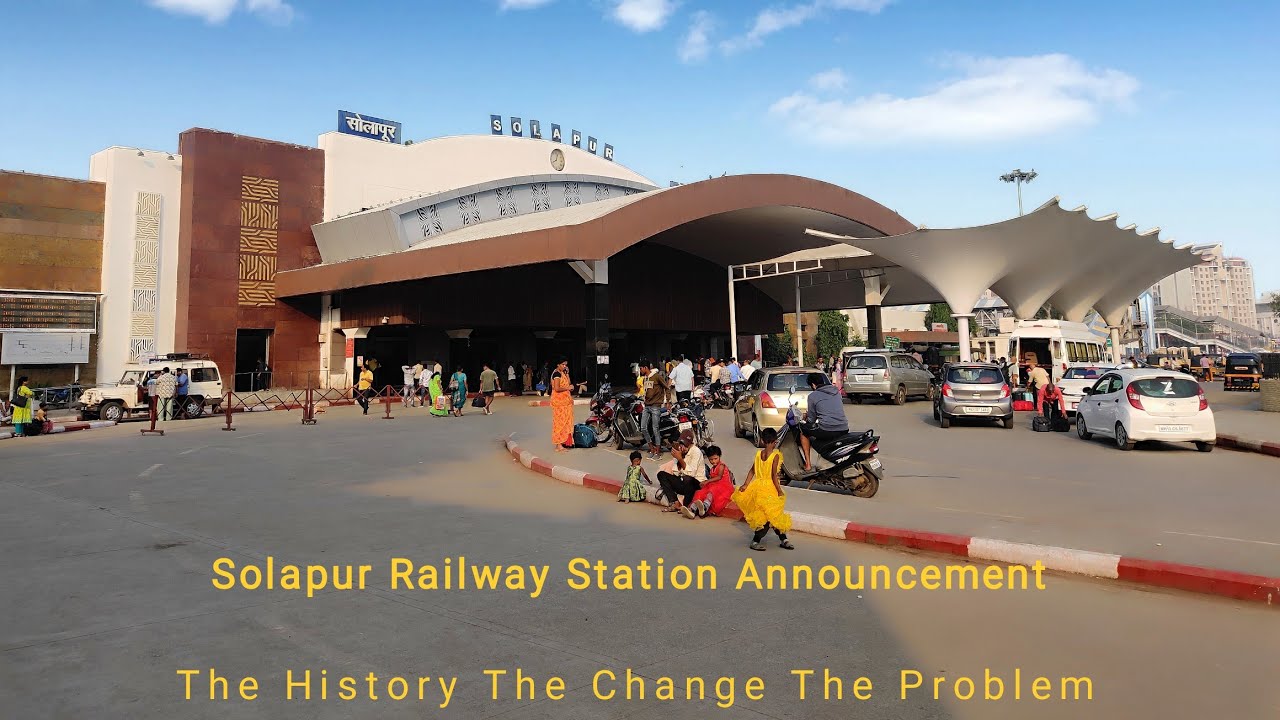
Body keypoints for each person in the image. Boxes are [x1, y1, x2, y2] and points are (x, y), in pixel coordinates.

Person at [733, 427, 794, 551]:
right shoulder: (776, 455)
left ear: (762, 440)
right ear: (775, 441)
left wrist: (745, 485)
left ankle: (784, 539)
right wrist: (779, 490)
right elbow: (773, 475)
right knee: (770, 517)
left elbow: (752, 471)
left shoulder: (758, 454)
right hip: (770, 488)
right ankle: (755, 541)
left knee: (773, 515)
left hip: (758, 487)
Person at [799, 372, 849, 472]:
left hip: (827, 429)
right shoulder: (836, 392)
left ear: (813, 385)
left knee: (803, 431)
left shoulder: (813, 396)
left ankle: (808, 465)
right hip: (844, 428)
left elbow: (811, 420)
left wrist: (805, 417)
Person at [656, 430, 706, 516]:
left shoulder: (696, 452)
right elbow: (676, 473)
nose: (683, 447)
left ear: (690, 444)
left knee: (687, 479)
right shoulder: (679, 451)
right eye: (682, 444)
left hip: (696, 483)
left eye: (685, 445)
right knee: (661, 474)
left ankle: (686, 506)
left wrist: (680, 459)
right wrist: (679, 458)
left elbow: (691, 474)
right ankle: (674, 502)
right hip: (683, 482)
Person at [687, 445, 734, 518]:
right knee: (700, 492)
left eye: (715, 459)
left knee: (712, 490)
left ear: (719, 456)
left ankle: (705, 507)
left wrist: (707, 481)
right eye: (711, 459)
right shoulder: (712, 468)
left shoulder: (721, 465)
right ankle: (693, 508)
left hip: (723, 487)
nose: (713, 461)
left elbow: (719, 477)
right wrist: (706, 482)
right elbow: (712, 478)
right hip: (715, 485)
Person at [641, 361, 671, 459]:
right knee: (643, 428)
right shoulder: (644, 379)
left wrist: (668, 401)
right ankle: (651, 448)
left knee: (655, 429)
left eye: (641, 368)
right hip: (647, 406)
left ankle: (658, 451)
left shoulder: (657, 376)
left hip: (655, 406)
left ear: (646, 367)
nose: (640, 370)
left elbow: (667, 388)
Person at [550, 359, 574, 451]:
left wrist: (567, 373)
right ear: (558, 364)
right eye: (563, 364)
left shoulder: (562, 373)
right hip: (559, 403)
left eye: (566, 365)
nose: (565, 366)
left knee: (566, 422)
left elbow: (568, 382)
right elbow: (556, 388)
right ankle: (558, 445)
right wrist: (567, 388)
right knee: (559, 423)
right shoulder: (556, 374)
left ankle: (563, 443)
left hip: (566, 402)